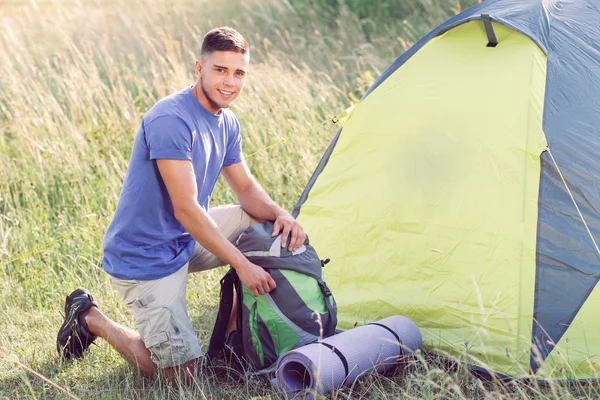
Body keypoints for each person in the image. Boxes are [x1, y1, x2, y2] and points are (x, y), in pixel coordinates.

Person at [56, 26, 306, 382]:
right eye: (220, 70)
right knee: (181, 376)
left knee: (261, 226)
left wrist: (283, 215)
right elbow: (186, 209)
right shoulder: (171, 119)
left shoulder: (226, 120)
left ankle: (233, 340)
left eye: (239, 73)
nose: (230, 82)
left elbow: (246, 189)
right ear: (199, 68)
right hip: (146, 256)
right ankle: (90, 318)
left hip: (186, 240)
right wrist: (243, 265)